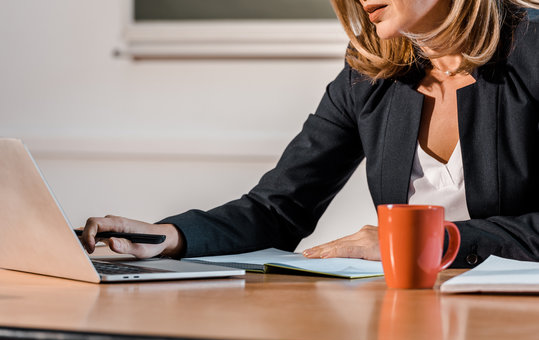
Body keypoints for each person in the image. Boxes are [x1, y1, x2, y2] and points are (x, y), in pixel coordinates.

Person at [81, 0, 539, 268]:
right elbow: (278, 209)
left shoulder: (533, 49)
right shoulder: (369, 74)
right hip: (413, 316)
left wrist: (429, 241)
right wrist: (167, 235)